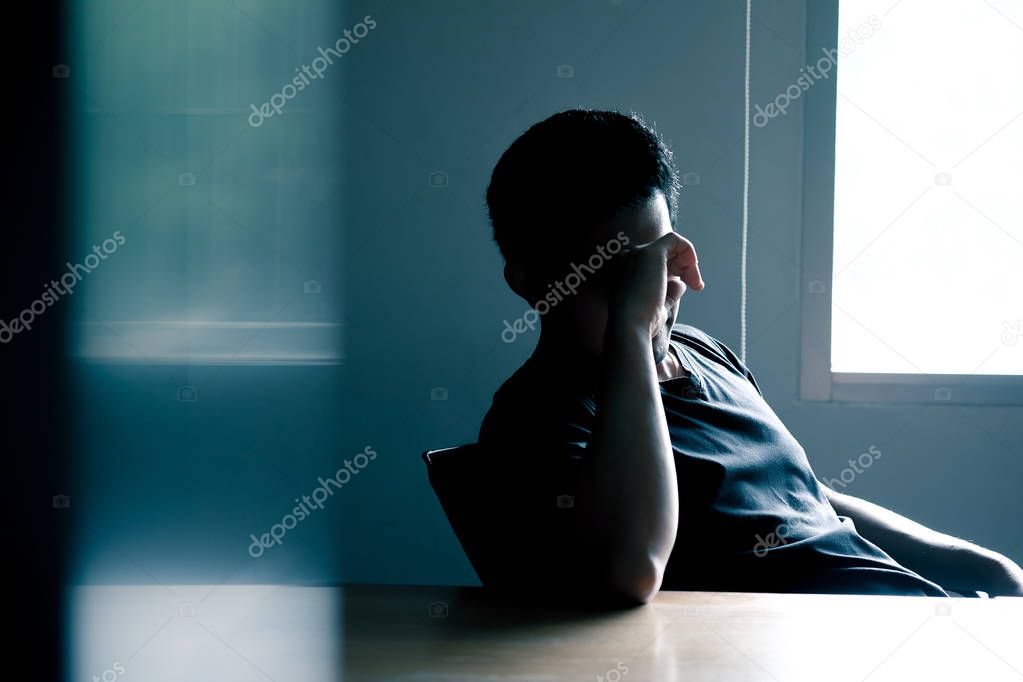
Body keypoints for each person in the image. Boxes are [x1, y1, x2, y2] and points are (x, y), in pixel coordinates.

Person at [475, 109, 1023, 605]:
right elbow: (629, 571)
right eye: (615, 281)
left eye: (657, 266)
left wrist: (986, 567)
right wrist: (631, 333)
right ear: (530, 280)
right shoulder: (537, 415)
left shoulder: (707, 355)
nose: (655, 299)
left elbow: (810, 498)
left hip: (910, 616)